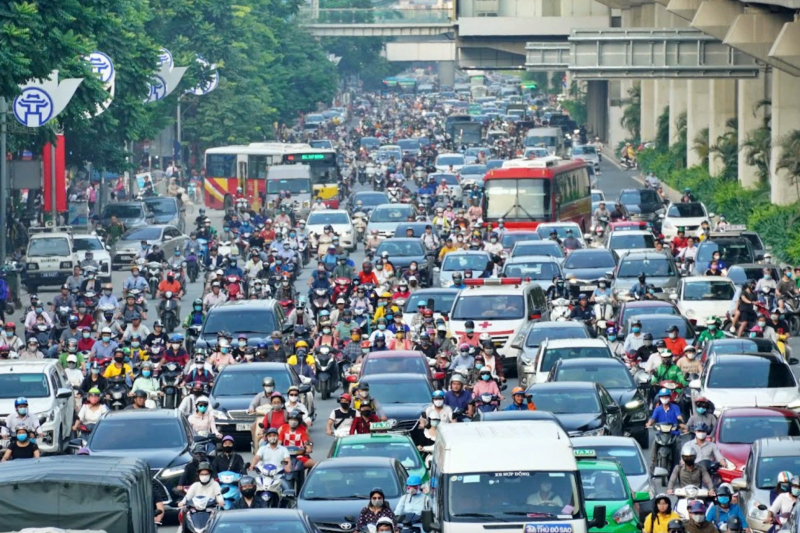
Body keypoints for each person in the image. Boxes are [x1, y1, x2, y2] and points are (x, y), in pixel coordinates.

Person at [646, 389, 685, 469]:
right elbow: (653, 418)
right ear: (659, 398)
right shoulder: (657, 409)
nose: (664, 398)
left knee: (678, 448)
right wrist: (648, 423)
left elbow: (679, 417)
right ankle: (652, 465)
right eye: (662, 397)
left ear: (669, 397)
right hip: (661, 435)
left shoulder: (675, 408)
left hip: (674, 435)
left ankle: (677, 466)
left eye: (666, 396)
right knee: (654, 445)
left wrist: (681, 423)